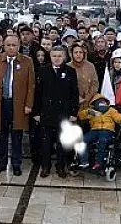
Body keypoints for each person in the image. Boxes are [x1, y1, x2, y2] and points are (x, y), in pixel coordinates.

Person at [0, 35, 35, 176]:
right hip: (1, 103)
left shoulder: (27, 61)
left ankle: (16, 164)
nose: (11, 48)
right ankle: (1, 163)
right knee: (1, 135)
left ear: (19, 46)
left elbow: (31, 86)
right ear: (4, 45)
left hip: (18, 104)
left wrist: (29, 104)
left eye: (14, 45)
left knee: (16, 136)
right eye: (8, 45)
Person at [33, 46, 79, 178]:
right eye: (54, 56)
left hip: (63, 113)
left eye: (59, 56)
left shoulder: (70, 71)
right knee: (46, 142)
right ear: (50, 56)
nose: (57, 58)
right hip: (46, 112)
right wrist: (36, 112)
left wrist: (73, 113)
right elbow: (38, 93)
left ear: (64, 57)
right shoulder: (43, 71)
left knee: (62, 142)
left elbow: (74, 94)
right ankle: (45, 167)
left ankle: (60, 166)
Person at [77, 94, 121, 171]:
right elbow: (81, 116)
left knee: (102, 140)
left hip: (107, 130)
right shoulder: (93, 112)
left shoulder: (111, 110)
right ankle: (84, 161)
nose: (102, 104)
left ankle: (99, 162)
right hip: (95, 130)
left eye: (103, 102)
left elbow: (119, 118)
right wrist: (88, 112)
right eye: (100, 103)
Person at [68, 43, 99, 110]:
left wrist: (88, 97)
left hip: (89, 102)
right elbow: (66, 86)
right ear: (72, 54)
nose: (78, 54)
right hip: (72, 103)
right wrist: (78, 98)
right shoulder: (67, 67)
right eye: (76, 52)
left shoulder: (90, 66)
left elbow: (95, 83)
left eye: (80, 52)